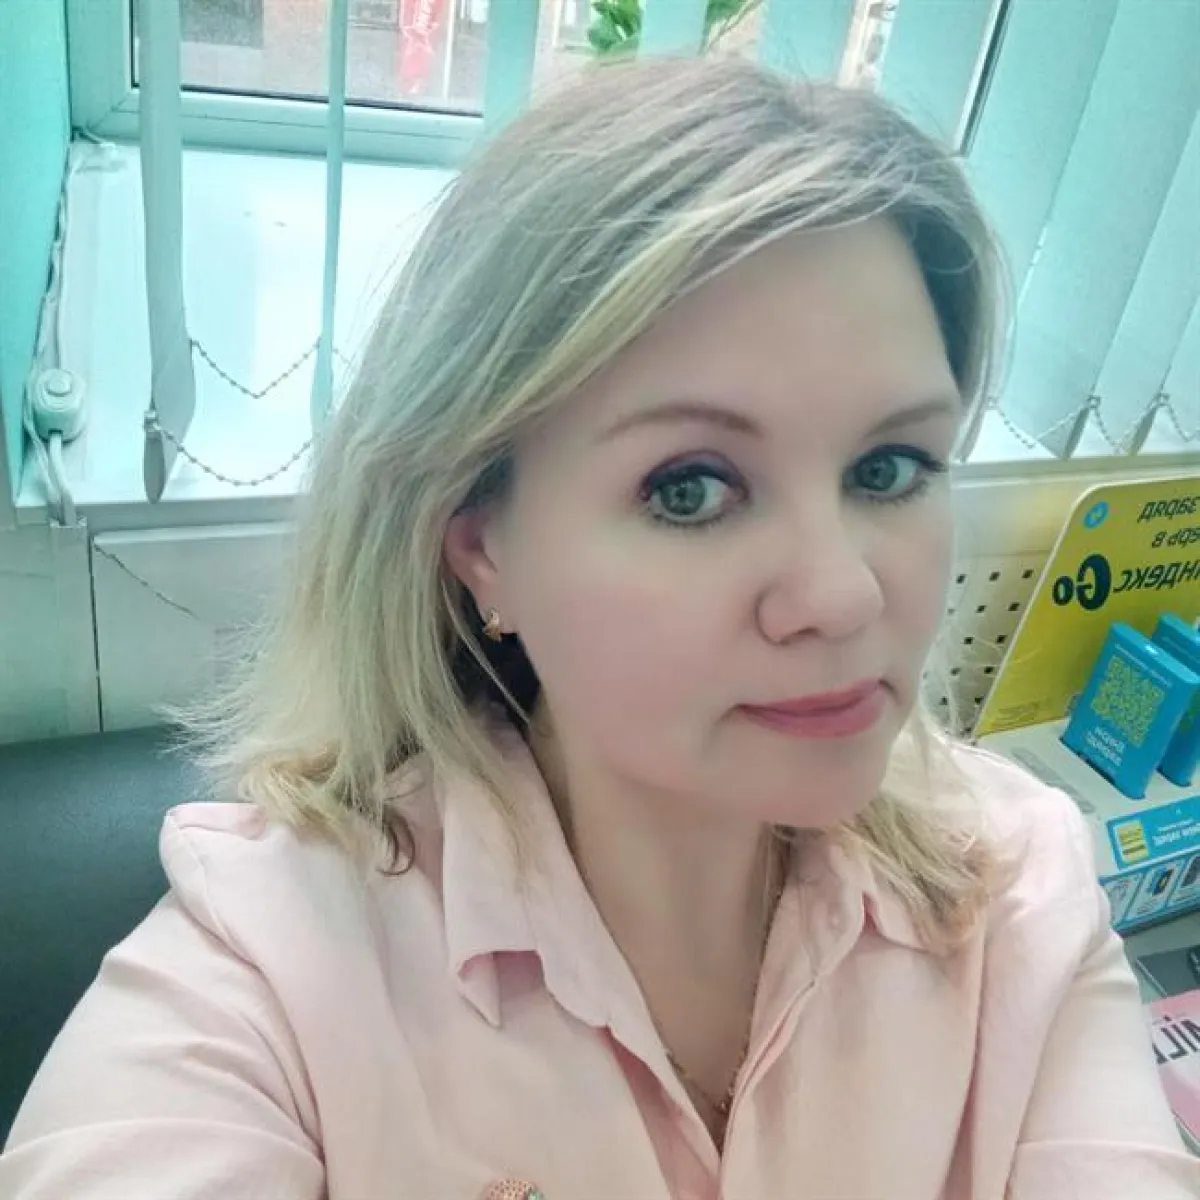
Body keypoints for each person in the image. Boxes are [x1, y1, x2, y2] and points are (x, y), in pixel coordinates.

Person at [1, 56, 1195, 1200]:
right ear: (482, 544)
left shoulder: (1018, 892)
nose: (843, 597)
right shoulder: (268, 972)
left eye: (888, 468)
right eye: (691, 490)